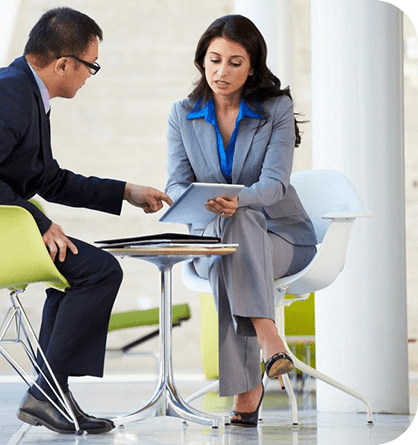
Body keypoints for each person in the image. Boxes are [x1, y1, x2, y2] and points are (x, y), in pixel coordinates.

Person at [0, 7, 172, 435]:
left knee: (77, 271)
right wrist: (37, 223)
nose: (90, 76)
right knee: (98, 270)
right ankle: (48, 391)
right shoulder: (10, 94)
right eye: (91, 66)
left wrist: (125, 191)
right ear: (64, 63)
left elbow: (47, 179)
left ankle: (51, 391)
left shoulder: (23, 92)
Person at [165, 15, 318, 427]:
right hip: (212, 241)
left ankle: (247, 392)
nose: (222, 71)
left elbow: (274, 185)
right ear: (202, 61)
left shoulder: (275, 109)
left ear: (252, 66)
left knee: (241, 224)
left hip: (283, 239)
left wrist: (236, 201)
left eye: (235, 62)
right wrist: (202, 201)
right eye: (214, 59)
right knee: (230, 245)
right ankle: (269, 341)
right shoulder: (183, 114)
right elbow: (176, 185)